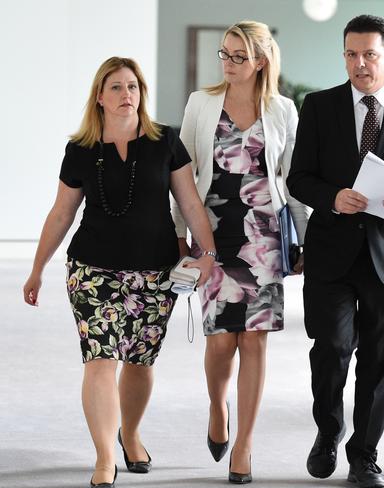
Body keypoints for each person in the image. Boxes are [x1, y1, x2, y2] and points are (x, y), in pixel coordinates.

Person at [22, 57, 216, 487]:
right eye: (116, 87)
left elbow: (189, 204)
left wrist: (209, 254)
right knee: (100, 359)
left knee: (140, 362)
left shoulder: (165, 142)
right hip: (92, 270)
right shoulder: (80, 150)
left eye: (133, 86)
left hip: (155, 272)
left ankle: (130, 433)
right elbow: (61, 215)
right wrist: (37, 269)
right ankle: (105, 457)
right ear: (99, 97)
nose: (126, 94)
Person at [287, 14, 384, 488]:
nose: (360, 64)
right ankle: (328, 432)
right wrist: (332, 196)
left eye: (369, 54)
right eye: (351, 54)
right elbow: (299, 179)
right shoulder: (319, 106)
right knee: (331, 349)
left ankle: (364, 455)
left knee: (379, 361)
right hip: (332, 255)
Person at [171, 21, 310, 484]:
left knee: (254, 340)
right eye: (224, 55)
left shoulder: (283, 109)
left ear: (261, 61)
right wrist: (179, 233)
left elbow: (291, 181)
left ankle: (245, 445)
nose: (228, 64)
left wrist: (304, 239)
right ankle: (217, 407)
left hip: (265, 235)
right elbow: (183, 173)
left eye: (238, 57)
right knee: (220, 341)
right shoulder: (201, 103)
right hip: (214, 232)